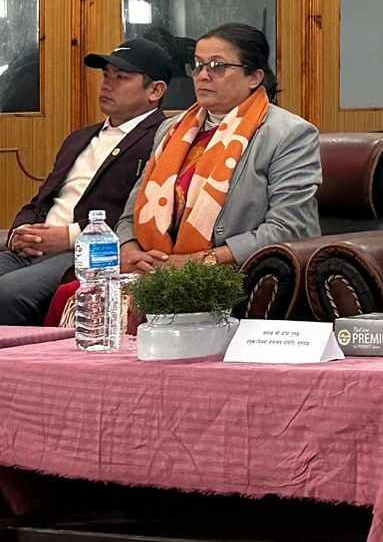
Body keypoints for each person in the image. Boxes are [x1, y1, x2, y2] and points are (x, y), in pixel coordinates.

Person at [116, 23, 320, 273]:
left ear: (254, 77)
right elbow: (130, 215)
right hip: (154, 270)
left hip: (230, 276)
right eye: (198, 65)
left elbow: (289, 229)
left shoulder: (288, 134)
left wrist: (200, 262)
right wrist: (130, 250)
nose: (202, 75)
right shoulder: (171, 129)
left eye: (217, 66)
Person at [0, 39, 169, 324]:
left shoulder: (163, 139)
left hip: (89, 253)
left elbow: (141, 213)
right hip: (34, 247)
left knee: (8, 293)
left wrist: (67, 237)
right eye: (105, 75)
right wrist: (21, 231)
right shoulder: (80, 138)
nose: (107, 85)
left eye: (121, 77)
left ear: (155, 90)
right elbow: (41, 199)